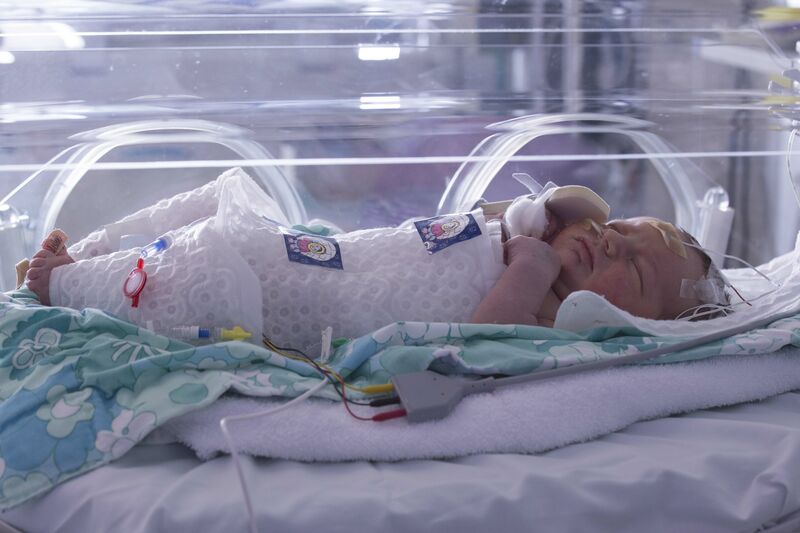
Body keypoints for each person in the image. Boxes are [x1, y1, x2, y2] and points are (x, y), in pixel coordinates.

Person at [23, 168, 725, 353]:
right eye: (624, 229)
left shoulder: (547, 316)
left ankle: (66, 284)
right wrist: (566, 220)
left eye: (630, 269)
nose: (612, 242)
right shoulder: (530, 235)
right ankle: (90, 251)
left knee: (201, 266)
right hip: (324, 251)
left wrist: (531, 272)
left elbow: (479, 347)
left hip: (310, 304)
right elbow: (541, 202)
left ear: (623, 320)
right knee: (219, 203)